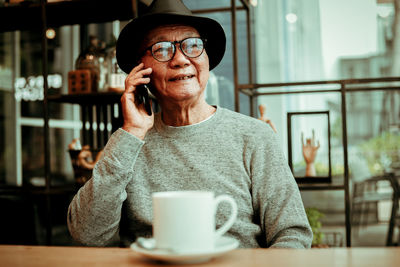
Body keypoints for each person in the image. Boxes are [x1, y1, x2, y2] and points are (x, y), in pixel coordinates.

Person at [67, 0, 312, 249]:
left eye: (193, 46)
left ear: (206, 59)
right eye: (161, 49)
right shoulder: (128, 144)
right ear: (141, 71)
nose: (180, 59)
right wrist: (132, 132)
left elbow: (292, 233)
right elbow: (87, 233)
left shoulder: (254, 136)